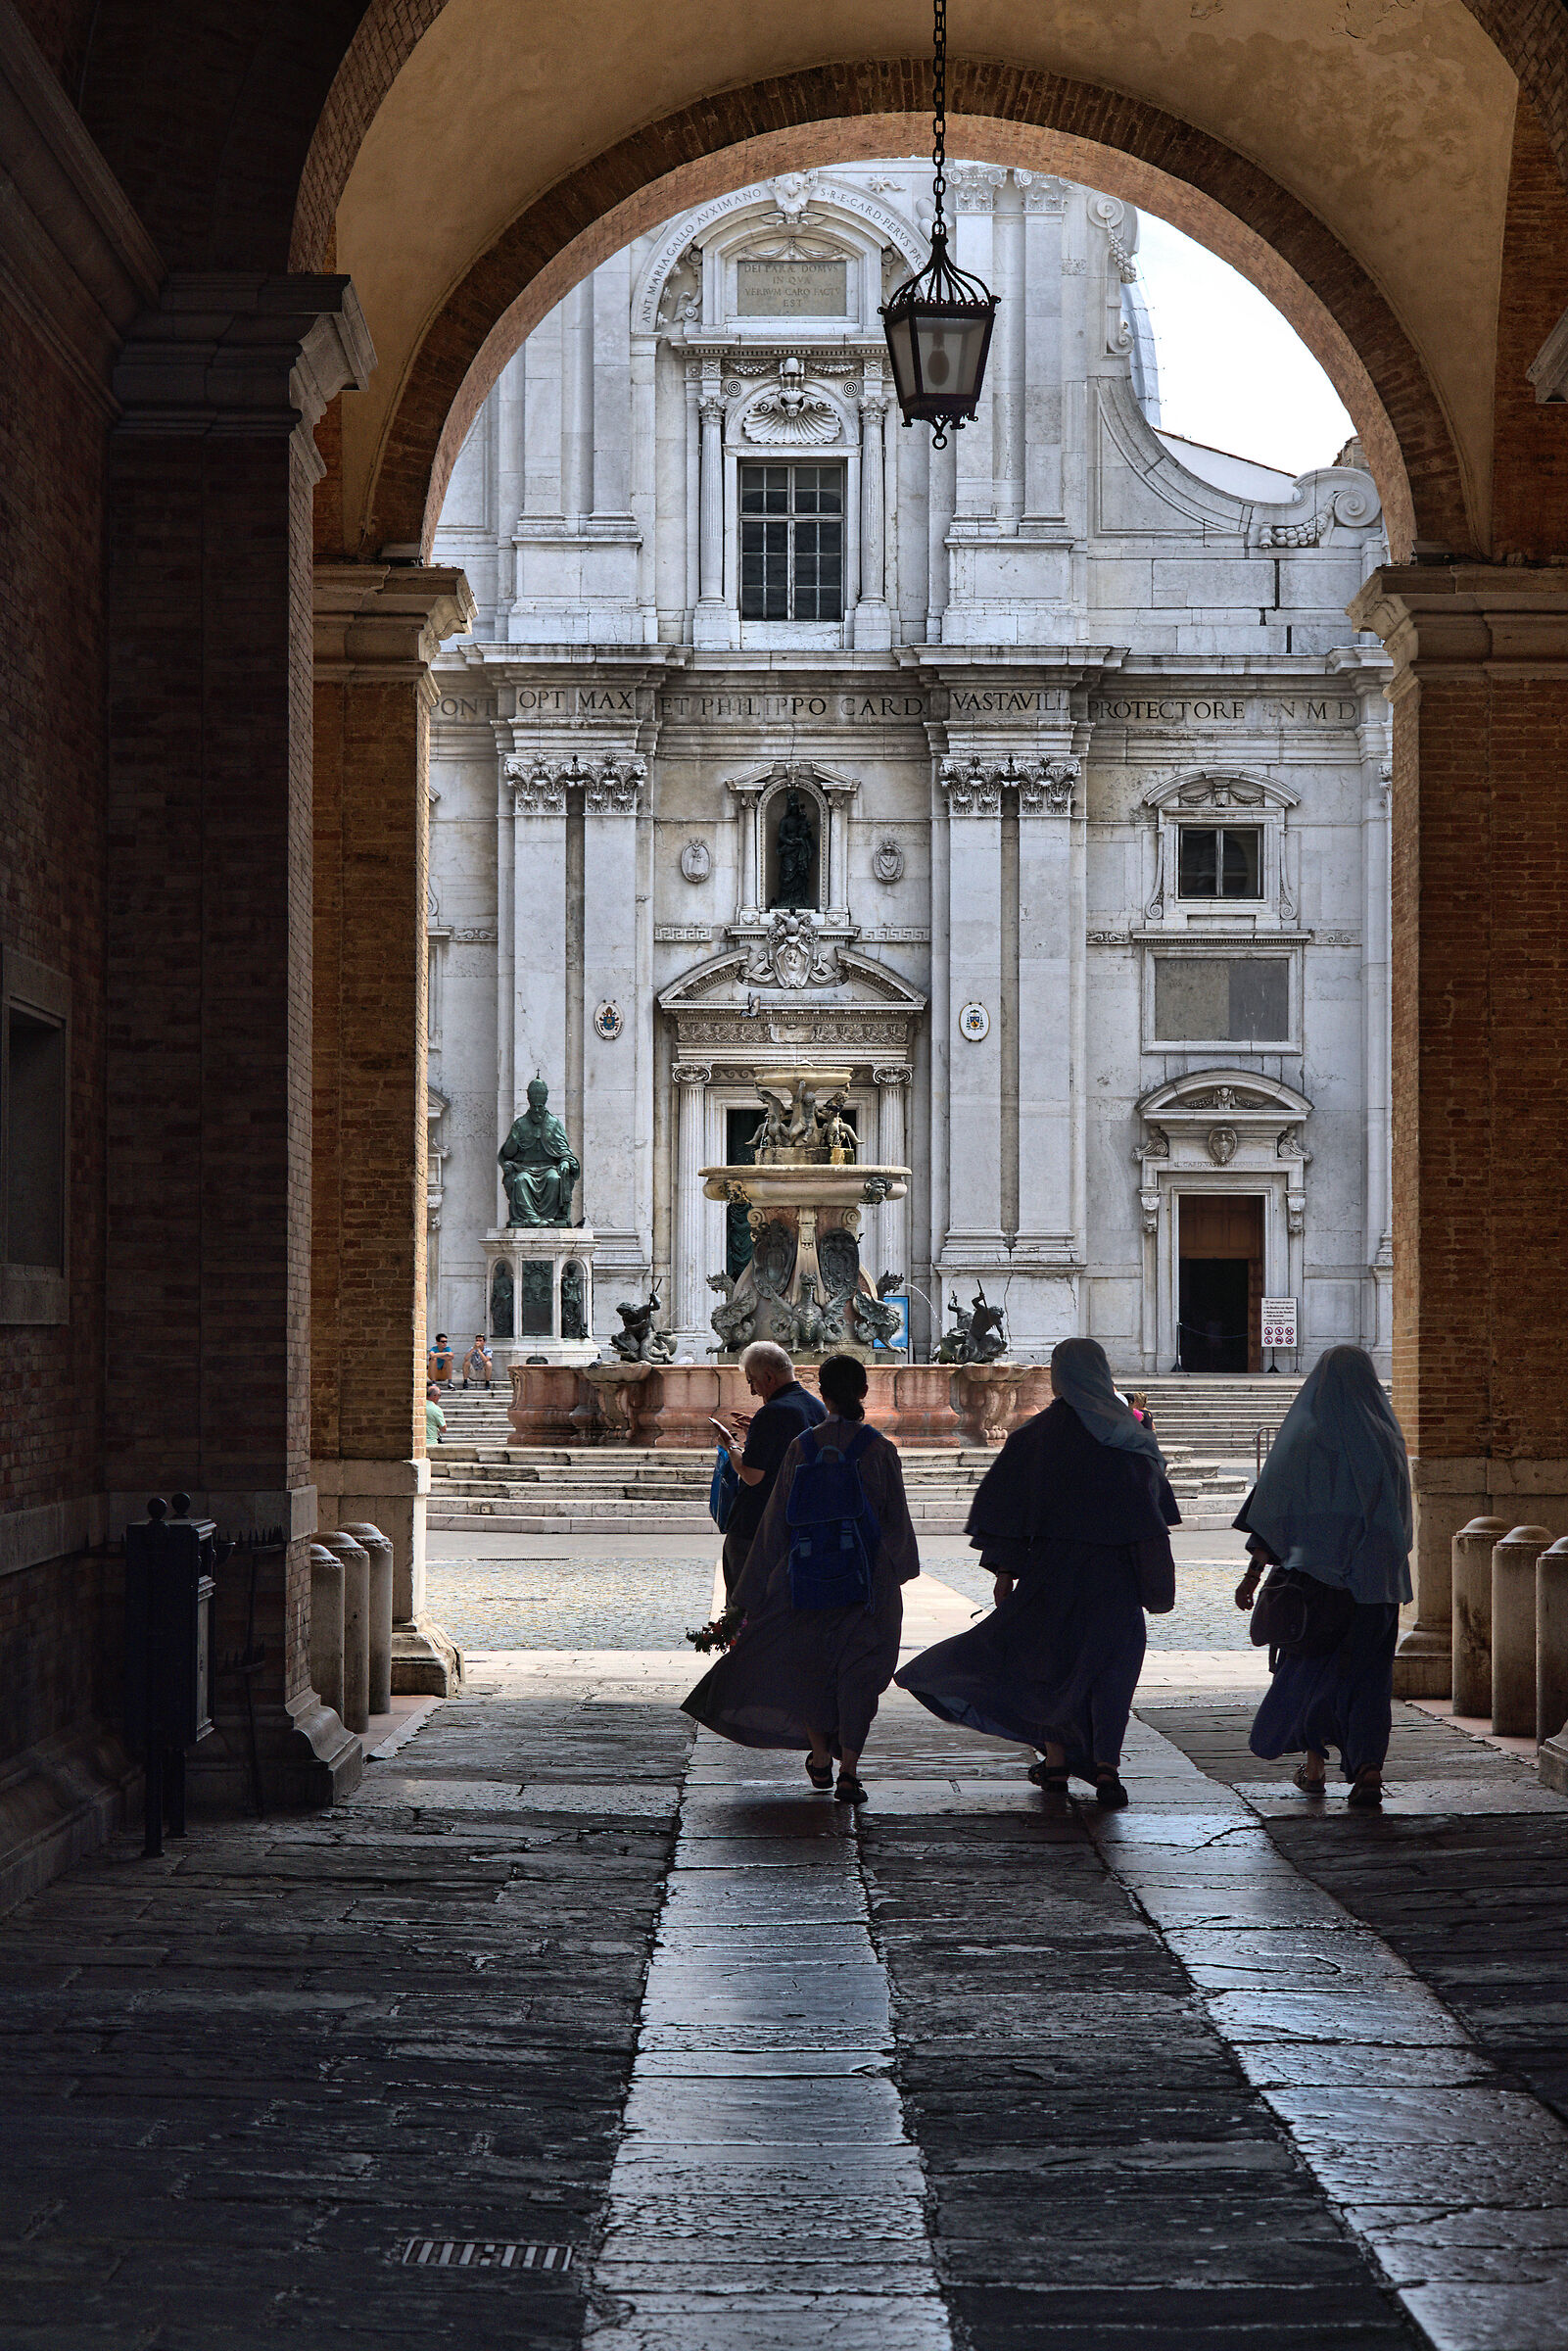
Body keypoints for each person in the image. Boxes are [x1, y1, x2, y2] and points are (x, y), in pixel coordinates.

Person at [896, 1337, 1179, 1807]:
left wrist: (1005, 1572)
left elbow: (1006, 1506)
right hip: (1117, 1579)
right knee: (1112, 1669)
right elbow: (1156, 1513)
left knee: (1051, 1666)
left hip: (1054, 1577)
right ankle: (1107, 1768)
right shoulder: (1132, 1438)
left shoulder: (1036, 1437)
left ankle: (1056, 1762)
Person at [684, 1352, 920, 1803]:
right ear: (864, 1391)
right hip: (867, 1583)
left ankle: (819, 1757)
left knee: (811, 1666)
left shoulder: (802, 1447)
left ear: (825, 1395)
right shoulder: (880, 1449)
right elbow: (896, 1521)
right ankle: (850, 1768)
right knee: (860, 1672)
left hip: (807, 1579)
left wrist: (751, 1592)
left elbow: (775, 1525)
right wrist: (900, 1571)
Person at [1232, 1344, 1411, 1808]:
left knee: (1311, 1670)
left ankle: (1314, 1767)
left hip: (1316, 1581)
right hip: (1377, 1585)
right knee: (1370, 1677)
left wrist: (1253, 1574)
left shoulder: (1306, 1437)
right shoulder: (1388, 1436)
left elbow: (1274, 1509)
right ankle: (1368, 1766)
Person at [712, 1339, 826, 1595]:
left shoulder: (773, 1412)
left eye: (752, 1381)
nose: (753, 1391)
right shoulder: (815, 1407)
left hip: (758, 1525)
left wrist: (730, 1445)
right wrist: (757, 1431)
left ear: (768, 1376)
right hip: (798, 1520)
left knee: (744, 1603)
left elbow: (752, 1475)